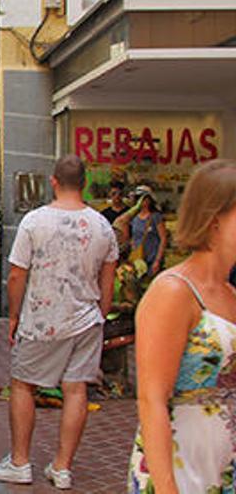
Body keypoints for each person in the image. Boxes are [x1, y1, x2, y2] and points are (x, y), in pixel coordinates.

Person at [0, 155, 117, 490]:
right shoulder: (102, 225)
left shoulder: (34, 221)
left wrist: (14, 314)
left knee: (23, 385)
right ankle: (62, 467)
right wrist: (101, 314)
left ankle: (20, 461)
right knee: (76, 390)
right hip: (86, 319)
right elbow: (108, 280)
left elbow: (16, 274)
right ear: (84, 183)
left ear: (53, 182)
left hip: (43, 320)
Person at [128, 160, 236, 493]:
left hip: (222, 466)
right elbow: (151, 399)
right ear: (215, 220)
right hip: (183, 467)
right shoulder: (174, 291)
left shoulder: (230, 293)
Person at [117, 185, 168, 278]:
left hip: (152, 258)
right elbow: (131, 236)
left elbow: (163, 238)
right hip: (138, 260)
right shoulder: (134, 217)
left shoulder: (155, 217)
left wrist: (158, 260)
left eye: (141, 198)